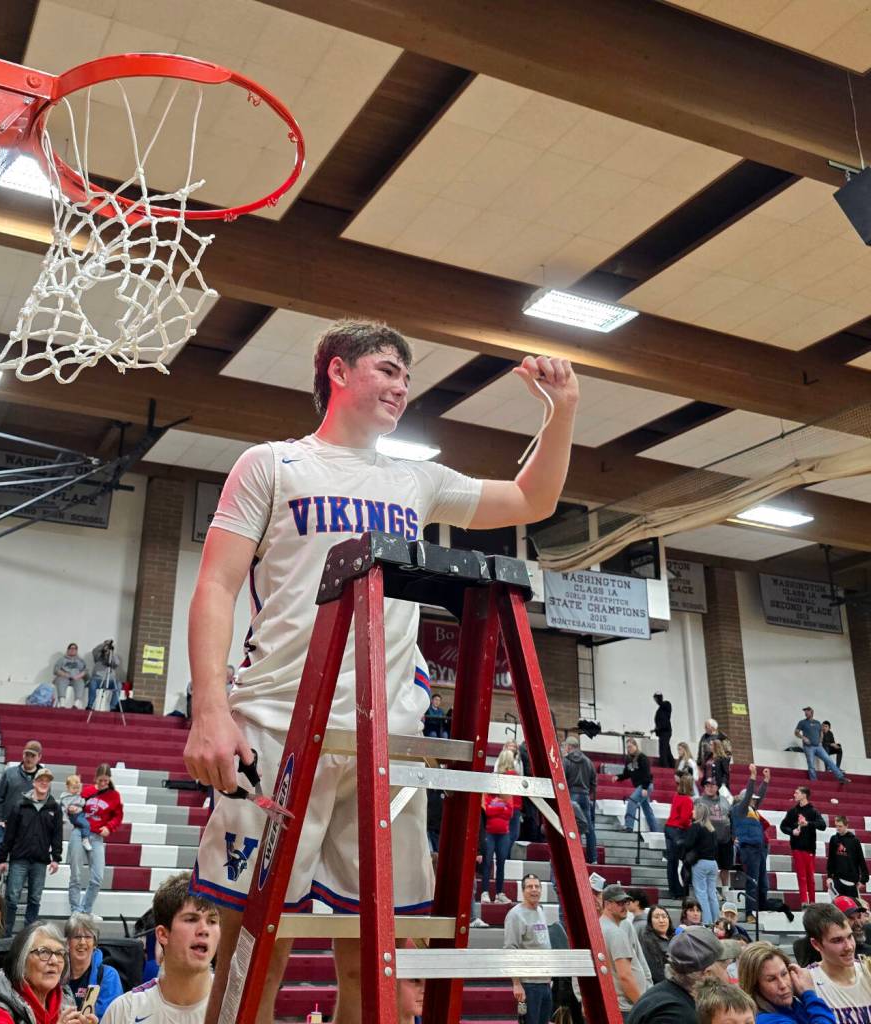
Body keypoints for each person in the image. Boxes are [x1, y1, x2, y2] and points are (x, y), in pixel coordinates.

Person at [183, 319, 580, 1023]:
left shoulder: (416, 479)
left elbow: (530, 501)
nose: (402, 386)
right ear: (337, 371)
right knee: (257, 943)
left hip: (386, 730)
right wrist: (210, 711)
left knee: (374, 949)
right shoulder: (272, 464)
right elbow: (214, 586)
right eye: (389, 370)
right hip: (279, 721)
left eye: (406, 376)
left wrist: (562, 413)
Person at [101, 872, 219, 1023]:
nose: (204, 929)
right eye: (191, 919)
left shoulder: (237, 1006)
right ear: (163, 934)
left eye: (212, 921)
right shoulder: (125, 1011)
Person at [0, 921, 93, 1024]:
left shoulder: (66, 1005)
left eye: (59, 953)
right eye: (44, 952)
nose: (54, 961)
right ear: (21, 961)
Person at [0, 765, 62, 936]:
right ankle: (6, 933)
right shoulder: (19, 805)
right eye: (40, 780)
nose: (43, 784)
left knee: (35, 898)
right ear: (34, 782)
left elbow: (57, 834)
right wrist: (2, 858)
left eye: (47, 782)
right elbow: (9, 834)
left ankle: (29, 935)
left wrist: (56, 858)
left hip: (40, 860)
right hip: (19, 858)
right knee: (12, 897)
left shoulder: (54, 807)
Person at [626, 926, 731, 1024]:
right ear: (707, 974)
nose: (728, 974)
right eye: (725, 967)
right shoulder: (678, 1015)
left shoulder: (665, 994)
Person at [69, 763, 123, 916]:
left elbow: (118, 816)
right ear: (95, 778)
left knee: (97, 876)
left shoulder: (114, 795)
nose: (103, 784)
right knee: (76, 874)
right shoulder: (87, 791)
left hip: (97, 837)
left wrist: (109, 827)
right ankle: (75, 910)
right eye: (100, 780)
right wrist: (72, 811)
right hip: (79, 833)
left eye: (106, 781)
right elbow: (74, 809)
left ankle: (85, 910)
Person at [737, 941, 835, 1023]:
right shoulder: (764, 1020)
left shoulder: (795, 1006)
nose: (783, 985)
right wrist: (808, 993)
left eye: (784, 974)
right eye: (771, 979)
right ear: (755, 986)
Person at [804, 902, 871, 1015]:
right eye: (837, 940)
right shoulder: (806, 981)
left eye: (850, 936)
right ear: (816, 944)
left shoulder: (868, 970)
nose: (849, 947)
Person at [0, 740, 43, 880]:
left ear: (39, 757)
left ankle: (8, 897)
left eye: (33, 756)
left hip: (26, 830)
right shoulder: (9, 773)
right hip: (5, 826)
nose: (29, 758)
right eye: (27, 754)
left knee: (17, 867)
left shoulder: (43, 778)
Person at [505, 873, 552, 1024]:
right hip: (529, 984)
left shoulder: (540, 910)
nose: (534, 890)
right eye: (530, 887)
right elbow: (510, 950)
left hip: (545, 983)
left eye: (537, 886)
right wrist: (516, 983)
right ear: (522, 891)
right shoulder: (515, 915)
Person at [600, 882, 652, 1016]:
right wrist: (642, 1006)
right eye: (619, 903)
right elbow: (625, 976)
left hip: (613, 1003)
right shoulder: (616, 933)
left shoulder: (599, 927)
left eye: (625, 902)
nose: (624, 907)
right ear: (607, 904)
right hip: (624, 1007)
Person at [65, 913, 123, 1018]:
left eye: (88, 937)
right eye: (77, 937)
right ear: (67, 942)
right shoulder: (56, 973)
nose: (82, 942)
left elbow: (111, 1017)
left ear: (95, 943)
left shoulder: (108, 975)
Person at [733, 764, 770, 922]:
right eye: (751, 800)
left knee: (763, 883)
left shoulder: (753, 810)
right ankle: (750, 913)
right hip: (749, 849)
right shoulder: (739, 810)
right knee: (753, 882)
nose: (755, 801)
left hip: (760, 848)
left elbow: (758, 796)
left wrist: (766, 781)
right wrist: (753, 777)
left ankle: (761, 908)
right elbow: (749, 795)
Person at [481, 746, 517, 903]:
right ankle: (485, 892)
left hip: (503, 833)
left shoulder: (507, 792)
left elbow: (509, 812)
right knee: (487, 862)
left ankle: (500, 893)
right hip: (489, 832)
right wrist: (499, 806)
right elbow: (487, 810)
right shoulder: (487, 791)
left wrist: (496, 805)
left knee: (501, 862)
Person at [780, 786, 826, 907]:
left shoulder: (813, 811)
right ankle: (804, 902)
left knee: (810, 877)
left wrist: (808, 823)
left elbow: (823, 825)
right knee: (801, 876)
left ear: (804, 795)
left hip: (809, 847)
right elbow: (783, 826)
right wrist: (792, 832)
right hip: (796, 847)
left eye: (797, 793)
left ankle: (812, 902)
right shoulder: (792, 811)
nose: (794, 794)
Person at [683, 802, 720, 925]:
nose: (692, 812)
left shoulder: (695, 826)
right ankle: (717, 921)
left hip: (700, 863)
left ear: (698, 813)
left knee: (701, 894)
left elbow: (688, 844)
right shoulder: (712, 829)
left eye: (694, 810)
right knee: (712, 894)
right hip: (713, 863)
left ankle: (707, 922)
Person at [697, 775, 733, 896]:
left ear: (717, 787)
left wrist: (734, 835)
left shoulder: (725, 800)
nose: (709, 788)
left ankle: (725, 891)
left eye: (712, 785)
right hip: (708, 841)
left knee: (725, 867)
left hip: (725, 839)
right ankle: (712, 890)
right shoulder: (699, 801)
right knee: (710, 867)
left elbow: (731, 817)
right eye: (707, 786)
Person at [564, 734, 597, 863]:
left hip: (572, 795)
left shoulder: (566, 761)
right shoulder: (588, 761)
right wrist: (589, 794)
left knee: (573, 827)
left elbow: (563, 780)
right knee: (589, 828)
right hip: (585, 796)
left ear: (569, 746)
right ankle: (593, 858)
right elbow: (594, 781)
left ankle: (574, 857)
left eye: (566, 746)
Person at [794, 707, 848, 784]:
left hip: (818, 747)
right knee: (811, 765)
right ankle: (814, 782)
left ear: (812, 712)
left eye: (807, 711)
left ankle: (840, 778)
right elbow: (796, 732)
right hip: (808, 747)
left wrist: (820, 740)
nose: (805, 713)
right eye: (805, 712)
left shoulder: (818, 723)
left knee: (829, 760)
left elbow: (821, 732)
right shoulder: (802, 722)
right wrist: (803, 737)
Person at [618, 737, 657, 833]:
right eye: (627, 747)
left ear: (635, 746)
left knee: (632, 801)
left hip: (645, 785)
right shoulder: (628, 759)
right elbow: (626, 774)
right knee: (647, 810)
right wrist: (618, 777)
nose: (629, 749)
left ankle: (629, 826)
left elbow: (647, 774)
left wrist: (644, 788)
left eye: (630, 747)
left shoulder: (642, 757)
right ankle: (656, 830)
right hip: (640, 786)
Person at [667, 772, 695, 900]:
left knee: (671, 862)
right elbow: (684, 820)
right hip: (678, 831)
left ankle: (673, 890)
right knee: (681, 863)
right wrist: (693, 823)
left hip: (668, 828)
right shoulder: (687, 800)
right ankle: (680, 891)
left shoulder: (676, 796)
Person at [826, 815, 868, 900]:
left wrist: (864, 879)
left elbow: (861, 860)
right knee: (838, 909)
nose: (838, 828)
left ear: (846, 825)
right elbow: (831, 859)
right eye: (836, 826)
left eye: (840, 826)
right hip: (837, 879)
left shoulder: (854, 841)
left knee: (853, 910)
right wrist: (829, 877)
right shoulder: (833, 839)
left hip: (851, 881)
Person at [640, 905, 674, 985]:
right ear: (650, 921)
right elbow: (655, 972)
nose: (661, 920)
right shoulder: (647, 941)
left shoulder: (675, 938)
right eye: (656, 917)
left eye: (664, 916)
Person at [62, 774, 94, 853]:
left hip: (81, 812)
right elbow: (63, 808)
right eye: (73, 788)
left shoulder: (79, 794)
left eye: (77, 788)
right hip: (74, 815)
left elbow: (83, 803)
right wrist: (69, 809)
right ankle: (85, 839)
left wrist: (80, 805)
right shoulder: (66, 797)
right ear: (68, 787)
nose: (76, 790)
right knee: (86, 824)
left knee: (91, 819)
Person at [87, 640, 122, 712]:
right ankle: (90, 705)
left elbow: (117, 663)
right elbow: (94, 651)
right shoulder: (98, 656)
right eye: (105, 648)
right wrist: (104, 645)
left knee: (118, 684)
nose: (106, 650)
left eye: (107, 648)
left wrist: (111, 653)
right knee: (92, 683)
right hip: (98, 679)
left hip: (110, 680)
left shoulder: (113, 657)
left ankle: (113, 707)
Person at [54, 644, 89, 708]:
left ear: (77, 651)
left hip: (76, 677)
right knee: (61, 681)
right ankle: (62, 702)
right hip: (64, 676)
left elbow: (85, 671)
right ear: (68, 650)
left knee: (80, 682)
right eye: (71, 648)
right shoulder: (62, 659)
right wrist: (65, 675)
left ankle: (77, 703)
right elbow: (56, 670)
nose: (73, 650)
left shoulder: (80, 660)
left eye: (75, 649)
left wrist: (79, 676)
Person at [654, 693, 674, 768]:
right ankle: (671, 765)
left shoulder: (666, 705)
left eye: (656, 698)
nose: (656, 701)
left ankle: (665, 766)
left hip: (666, 731)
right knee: (666, 749)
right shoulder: (660, 709)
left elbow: (664, 720)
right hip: (662, 731)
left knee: (663, 749)